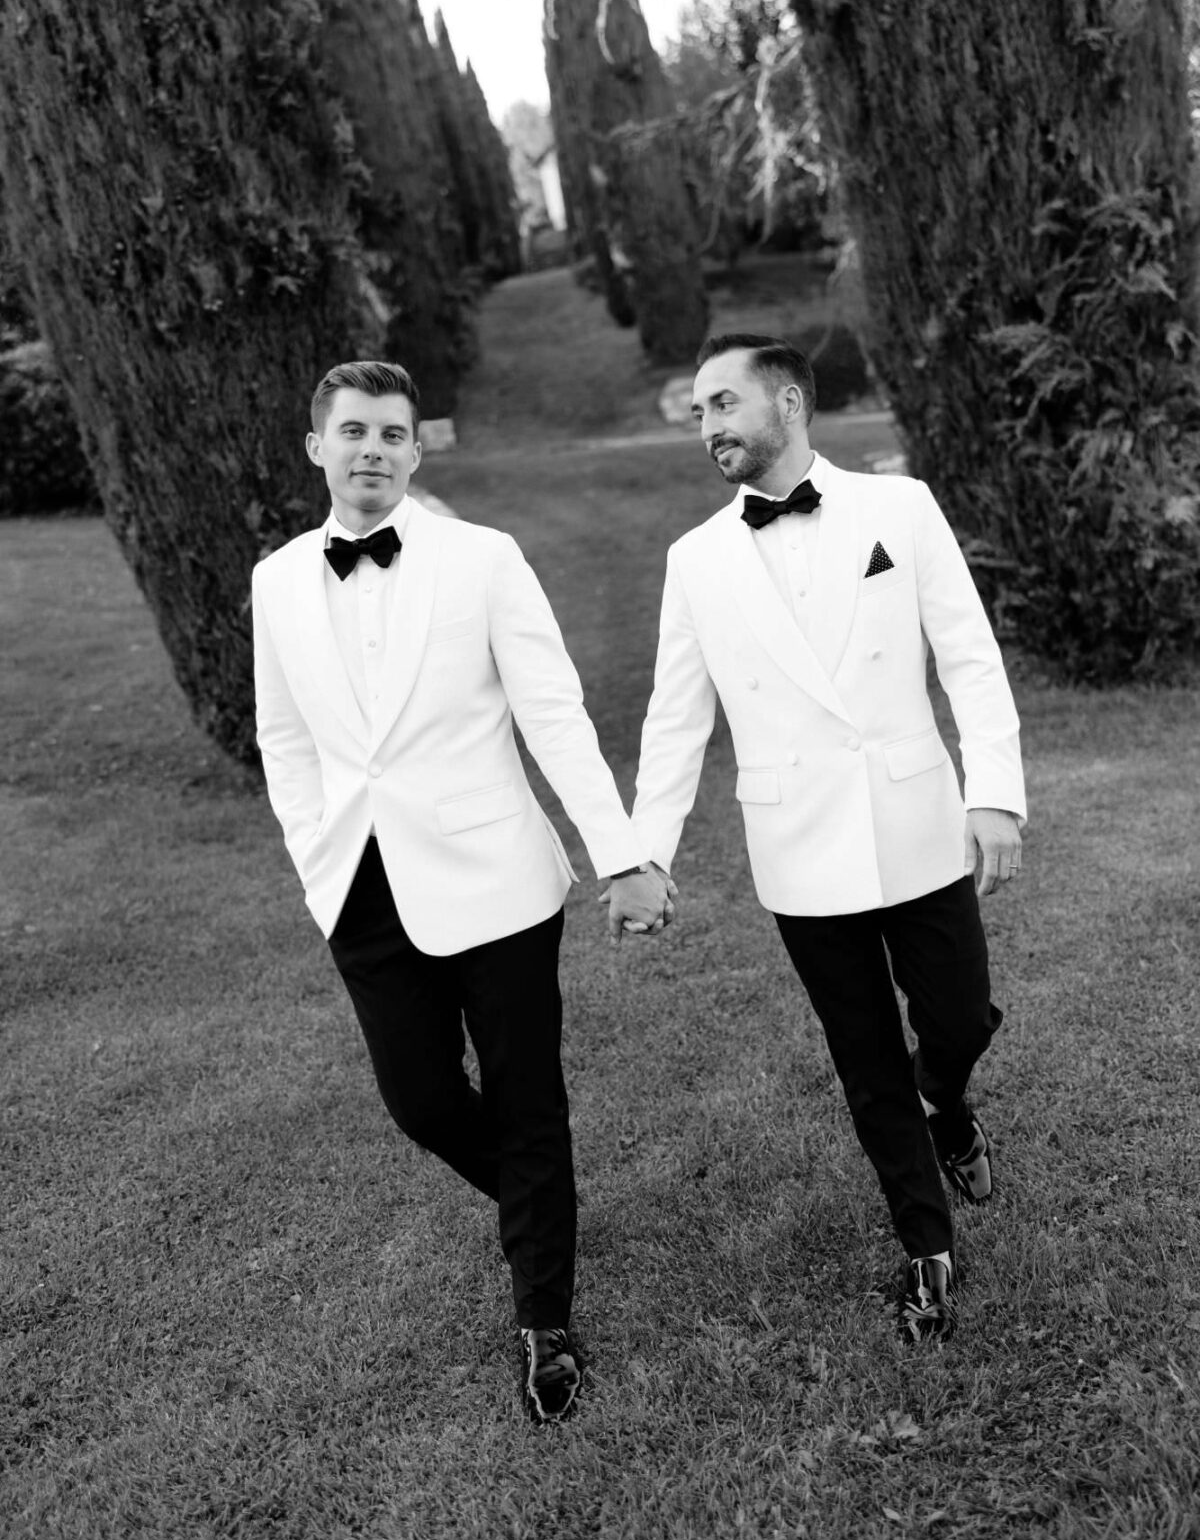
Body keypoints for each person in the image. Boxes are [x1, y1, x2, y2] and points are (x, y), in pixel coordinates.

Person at [252, 360, 672, 1421]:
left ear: (416, 450)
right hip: (360, 886)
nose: (373, 450)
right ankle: (545, 1197)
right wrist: (314, 855)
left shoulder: (483, 558)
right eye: (354, 431)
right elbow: (283, 739)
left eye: (393, 433)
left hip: (497, 881)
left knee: (528, 1098)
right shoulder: (277, 579)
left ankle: (545, 1316)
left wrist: (622, 856)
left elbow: (554, 716)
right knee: (423, 1102)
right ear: (317, 447)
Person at [610, 333, 1026, 1342]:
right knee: (864, 1058)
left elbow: (969, 657)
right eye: (699, 413)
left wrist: (995, 794)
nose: (708, 427)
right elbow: (675, 720)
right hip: (798, 845)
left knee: (958, 1017)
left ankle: (947, 1101)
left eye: (723, 404)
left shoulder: (900, 507)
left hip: (916, 820)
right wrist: (644, 852)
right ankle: (926, 1249)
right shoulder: (696, 560)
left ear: (788, 402)